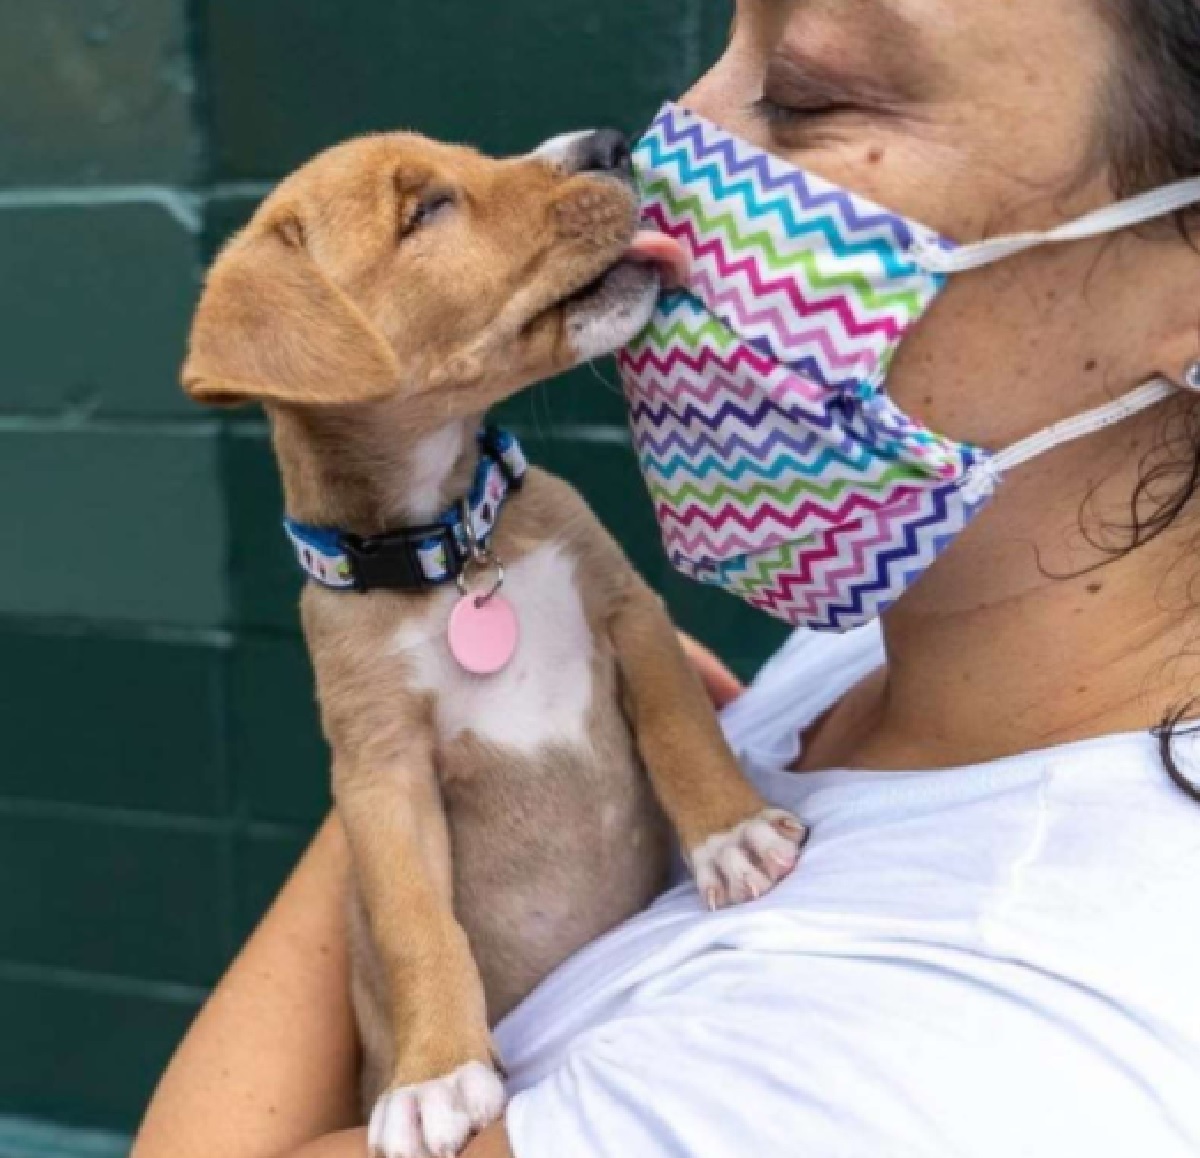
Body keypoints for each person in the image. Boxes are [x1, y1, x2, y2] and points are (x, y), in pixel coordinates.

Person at [134, 0, 1200, 1154]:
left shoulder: (917, 1054)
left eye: (809, 92)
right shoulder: (906, 643)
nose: (673, 131)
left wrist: (418, 733)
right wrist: (419, 717)